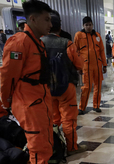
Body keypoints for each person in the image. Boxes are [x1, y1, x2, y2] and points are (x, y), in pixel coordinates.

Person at [0, 0, 63, 164]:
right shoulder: (19, 42)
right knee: (36, 141)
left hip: (41, 98)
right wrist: (6, 102)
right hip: (28, 102)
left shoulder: (38, 42)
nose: (50, 24)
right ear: (33, 19)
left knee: (46, 137)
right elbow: (7, 76)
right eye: (46, 20)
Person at [41, 13, 87, 156]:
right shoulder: (66, 43)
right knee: (69, 118)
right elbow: (79, 65)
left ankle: (54, 147)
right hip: (66, 86)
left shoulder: (38, 42)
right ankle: (72, 147)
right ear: (60, 28)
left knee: (53, 118)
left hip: (46, 88)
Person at [74, 16, 107, 114]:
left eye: (90, 24)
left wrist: (104, 65)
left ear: (92, 25)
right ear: (83, 25)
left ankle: (96, 106)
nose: (88, 27)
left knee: (98, 86)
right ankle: (82, 107)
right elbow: (76, 52)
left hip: (97, 65)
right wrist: (77, 66)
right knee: (86, 87)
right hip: (85, 66)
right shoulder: (78, 35)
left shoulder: (97, 35)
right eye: (86, 25)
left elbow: (101, 51)